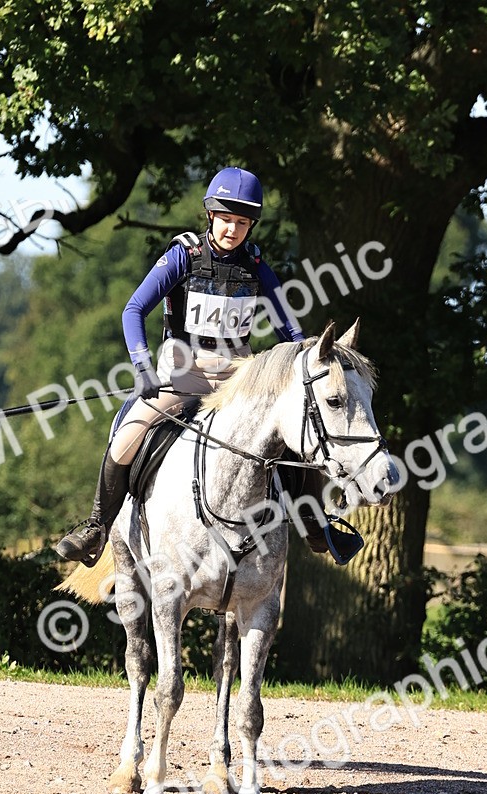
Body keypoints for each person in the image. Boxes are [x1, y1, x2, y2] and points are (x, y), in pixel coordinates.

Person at [55, 166, 336, 566]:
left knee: (295, 430)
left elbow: (288, 329)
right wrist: (142, 367)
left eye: (242, 223)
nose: (233, 230)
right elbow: (133, 309)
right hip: (183, 374)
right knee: (126, 436)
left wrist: (305, 359)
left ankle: (315, 523)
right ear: (211, 215)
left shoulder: (256, 265)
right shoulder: (184, 257)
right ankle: (97, 527)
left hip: (239, 379)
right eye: (226, 219)